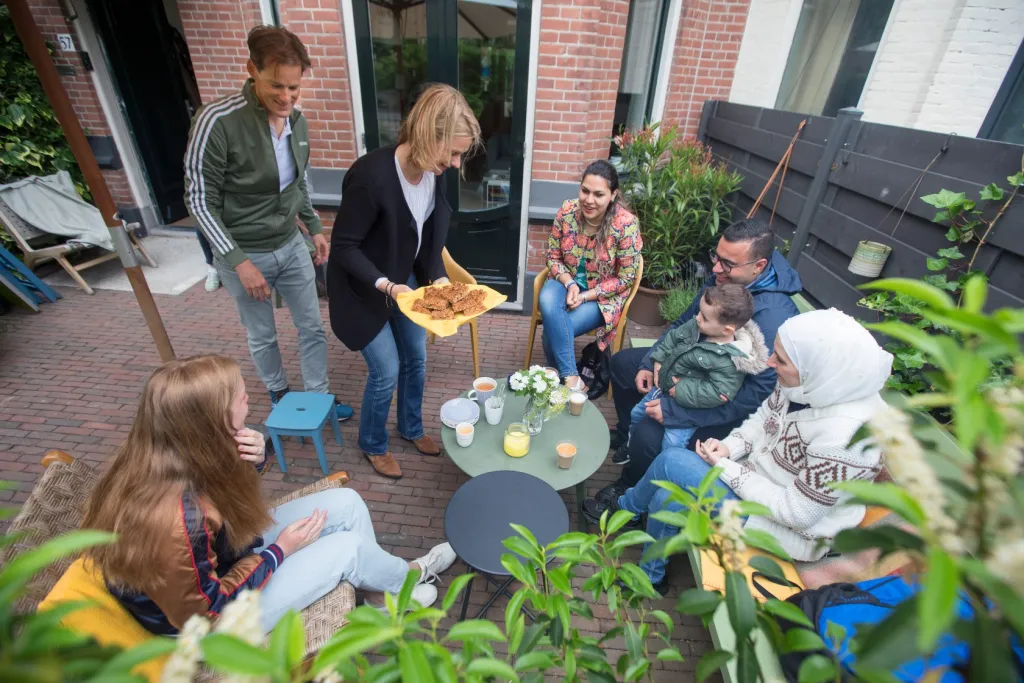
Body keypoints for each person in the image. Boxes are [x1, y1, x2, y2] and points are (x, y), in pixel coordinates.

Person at [80, 355, 457, 635]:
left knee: (347, 503)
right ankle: (407, 578)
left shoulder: (175, 450)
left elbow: (228, 508)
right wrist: (281, 551)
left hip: (229, 558)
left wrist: (254, 461)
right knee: (348, 548)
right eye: (241, 396)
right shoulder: (178, 519)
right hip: (210, 626)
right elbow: (207, 611)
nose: (249, 398)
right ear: (212, 418)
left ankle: (380, 598)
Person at [596, 309, 894, 591]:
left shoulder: (845, 438)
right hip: (758, 485)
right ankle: (652, 577)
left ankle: (626, 508)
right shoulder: (804, 386)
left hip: (789, 531)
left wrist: (727, 468)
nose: (770, 363)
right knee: (666, 495)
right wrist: (728, 447)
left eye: (781, 359)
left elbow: (796, 513)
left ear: (818, 368)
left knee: (672, 460)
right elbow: (761, 421)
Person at [183, 26, 352, 417]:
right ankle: (280, 393)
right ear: (251, 70)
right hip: (243, 251)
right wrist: (238, 262)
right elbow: (198, 200)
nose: (286, 97)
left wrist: (314, 227)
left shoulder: (298, 121)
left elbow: (299, 184)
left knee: (312, 327)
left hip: (290, 245)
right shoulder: (217, 121)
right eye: (277, 85)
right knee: (262, 334)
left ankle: (317, 399)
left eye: (294, 88)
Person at [587, 218, 802, 514]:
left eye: (726, 264)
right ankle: (627, 436)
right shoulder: (727, 278)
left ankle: (633, 492)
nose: (715, 269)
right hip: (688, 361)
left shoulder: (771, 319)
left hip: (719, 397)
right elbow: (682, 323)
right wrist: (653, 360)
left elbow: (752, 399)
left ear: (759, 266)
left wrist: (676, 411)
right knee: (624, 364)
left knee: (652, 432)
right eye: (717, 257)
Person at [328, 84, 481, 480]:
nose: (455, 161)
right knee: (386, 369)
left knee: (417, 357)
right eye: (452, 151)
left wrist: (440, 282)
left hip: (405, 280)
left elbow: (430, 239)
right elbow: (343, 248)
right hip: (363, 290)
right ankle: (373, 444)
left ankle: (411, 428)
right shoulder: (370, 177)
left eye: (460, 153)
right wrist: (388, 286)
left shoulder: (434, 174)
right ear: (429, 135)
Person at [539, 160, 642, 388]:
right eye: (585, 191)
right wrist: (570, 284)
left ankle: (557, 379)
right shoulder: (567, 211)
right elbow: (552, 256)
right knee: (547, 300)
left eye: (598, 194)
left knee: (552, 329)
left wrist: (586, 295)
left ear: (613, 195)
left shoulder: (625, 224)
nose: (589, 200)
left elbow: (626, 278)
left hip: (602, 296)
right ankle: (572, 378)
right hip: (566, 279)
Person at [630, 284, 768, 452]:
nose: (697, 318)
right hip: (663, 388)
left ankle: (667, 466)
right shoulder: (698, 326)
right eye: (700, 312)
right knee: (636, 413)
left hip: (688, 407)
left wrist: (681, 389)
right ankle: (630, 445)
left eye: (704, 317)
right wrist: (659, 359)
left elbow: (719, 392)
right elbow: (673, 338)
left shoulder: (732, 360)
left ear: (726, 329)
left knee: (672, 442)